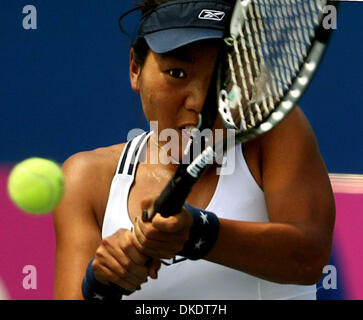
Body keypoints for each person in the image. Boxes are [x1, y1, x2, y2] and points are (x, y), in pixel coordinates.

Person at [53, 0, 335, 300]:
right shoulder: (86, 178)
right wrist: (99, 283)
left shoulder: (273, 134)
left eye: (222, 79)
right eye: (177, 73)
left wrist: (198, 233)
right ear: (135, 69)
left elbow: (309, 258)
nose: (199, 103)